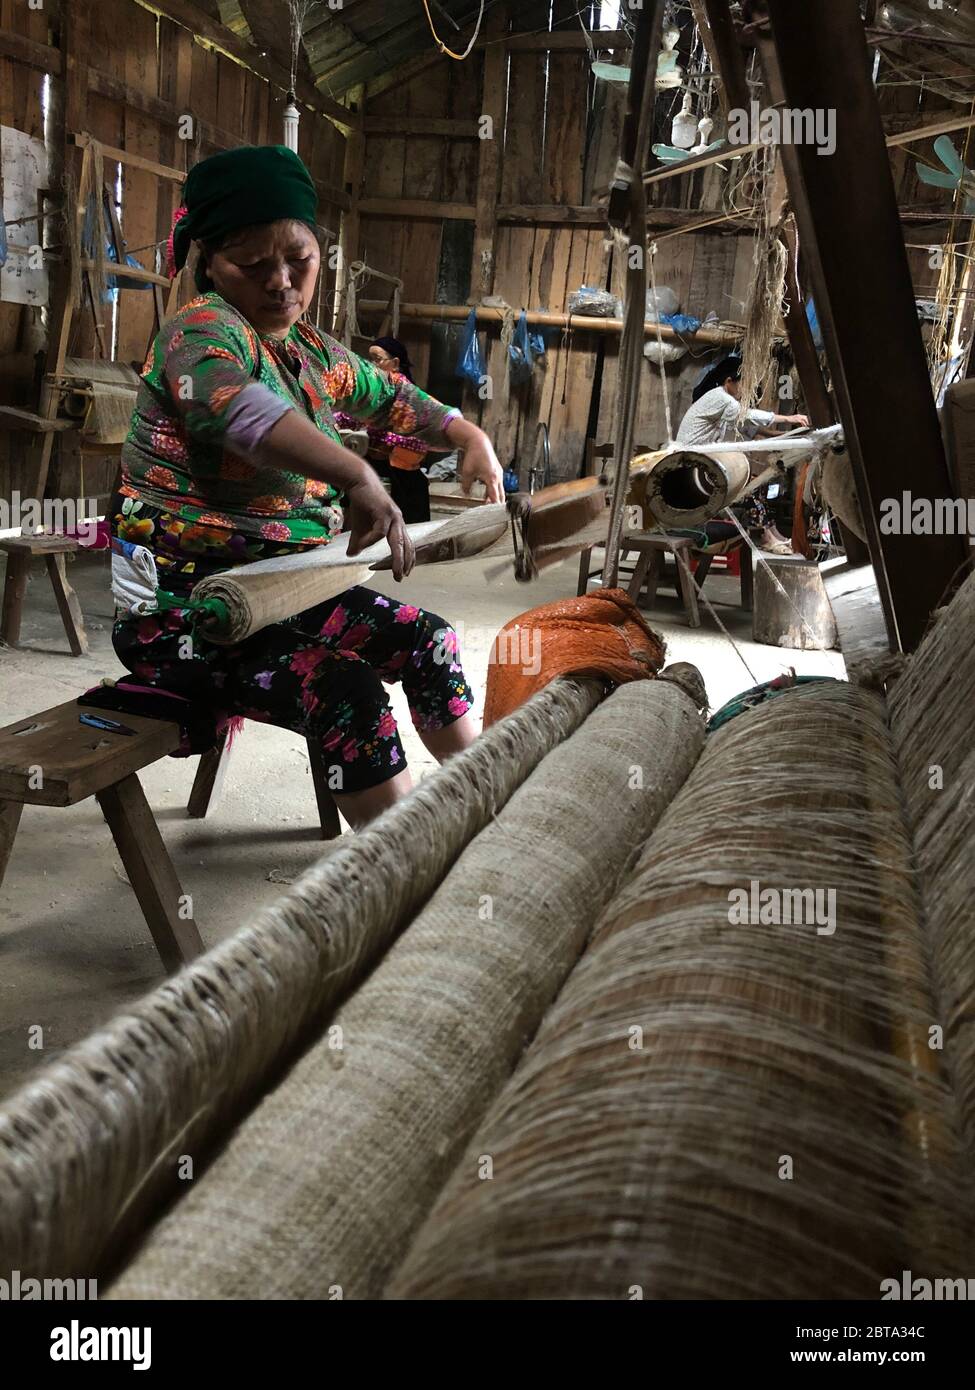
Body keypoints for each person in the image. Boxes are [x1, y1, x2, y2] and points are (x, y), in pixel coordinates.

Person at [109, 145, 503, 830]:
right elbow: (235, 410)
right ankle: (401, 870)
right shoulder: (198, 335)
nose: (282, 281)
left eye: (300, 260)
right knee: (342, 688)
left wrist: (468, 434)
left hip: (287, 591)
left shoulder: (311, 351)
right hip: (189, 615)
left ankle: (488, 808)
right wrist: (354, 472)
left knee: (429, 640)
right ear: (208, 260)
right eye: (253, 265)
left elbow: (393, 400)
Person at [676, 357, 809, 554]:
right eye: (743, 385)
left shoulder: (721, 403)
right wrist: (789, 417)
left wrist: (791, 434)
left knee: (758, 483)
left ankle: (771, 533)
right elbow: (747, 415)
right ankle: (767, 536)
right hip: (688, 470)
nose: (744, 391)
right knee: (751, 487)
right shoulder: (719, 398)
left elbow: (751, 429)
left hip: (700, 466)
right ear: (729, 382)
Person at [334, 335, 434, 523]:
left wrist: (375, 438)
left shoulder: (405, 393)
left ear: (395, 363)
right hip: (377, 466)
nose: (371, 364)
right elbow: (347, 417)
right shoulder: (372, 390)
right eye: (369, 359)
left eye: (377, 359)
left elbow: (418, 442)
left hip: (400, 472)